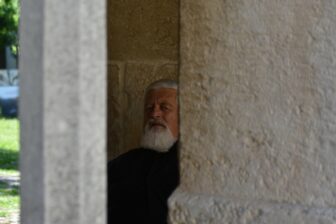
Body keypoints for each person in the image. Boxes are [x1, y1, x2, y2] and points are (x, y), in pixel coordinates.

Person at [108, 79, 179, 224]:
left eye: (164, 107)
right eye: (149, 108)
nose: (154, 114)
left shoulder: (195, 167)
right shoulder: (122, 165)